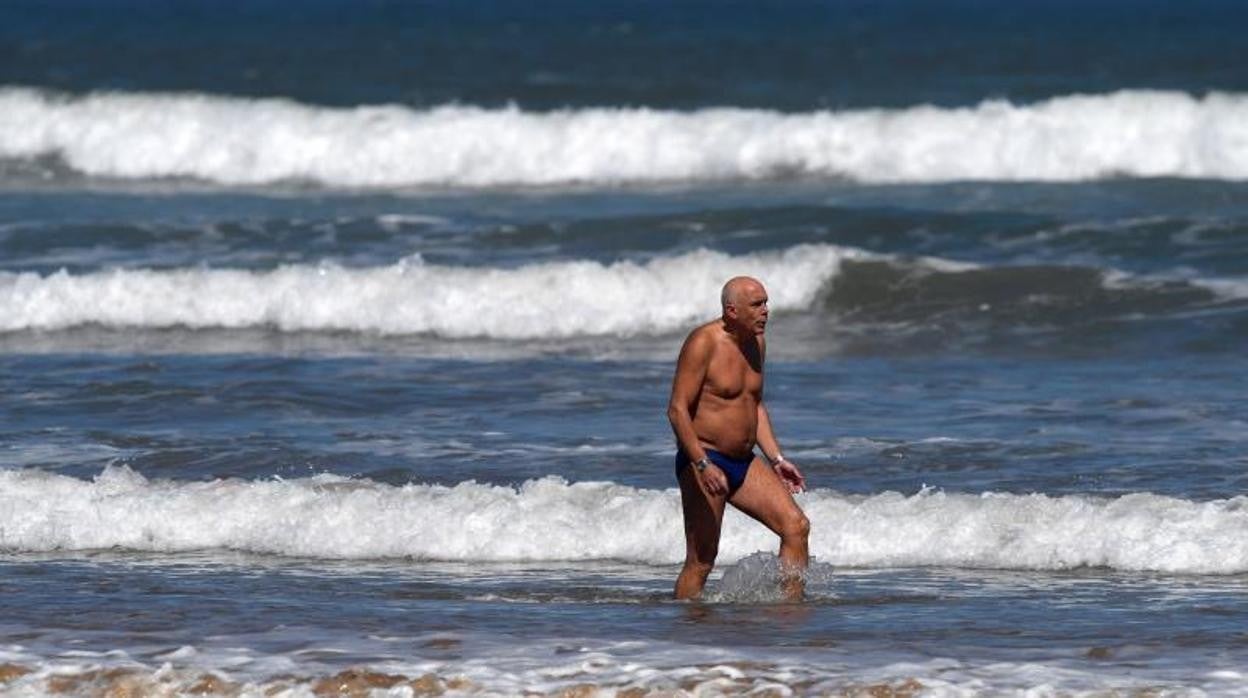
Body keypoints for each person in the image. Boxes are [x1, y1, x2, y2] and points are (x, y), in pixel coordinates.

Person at [667, 276, 810, 600]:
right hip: (705, 457)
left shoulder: (756, 341)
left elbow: (753, 403)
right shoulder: (703, 342)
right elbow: (677, 410)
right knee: (702, 560)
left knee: (796, 526)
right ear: (732, 310)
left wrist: (776, 458)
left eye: (766, 303)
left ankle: (791, 611)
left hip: (744, 462)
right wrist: (702, 464)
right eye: (757, 305)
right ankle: (683, 634)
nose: (766, 311)